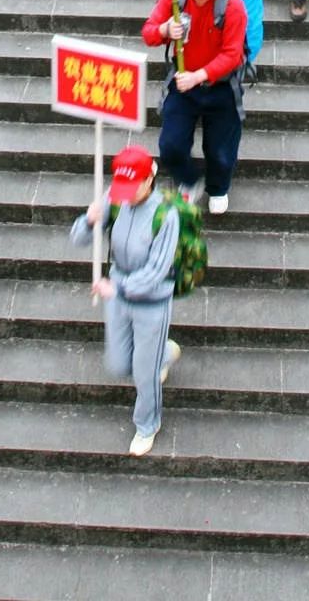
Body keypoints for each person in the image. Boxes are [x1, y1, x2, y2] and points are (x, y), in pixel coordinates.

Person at [70, 145, 181, 458]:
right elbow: (79, 239)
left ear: (149, 181)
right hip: (117, 291)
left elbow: (157, 271)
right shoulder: (114, 197)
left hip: (151, 302)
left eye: (134, 187)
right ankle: (163, 355)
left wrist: (118, 289)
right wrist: (89, 221)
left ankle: (147, 424)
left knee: (144, 373)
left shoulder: (165, 215)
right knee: (120, 364)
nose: (127, 194)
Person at [142, 0, 247, 215]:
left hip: (220, 87)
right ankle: (188, 181)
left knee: (221, 149)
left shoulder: (233, 7)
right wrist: (165, 30)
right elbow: (149, 33)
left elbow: (232, 55)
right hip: (182, 84)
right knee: (170, 144)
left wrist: (199, 76)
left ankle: (219, 187)